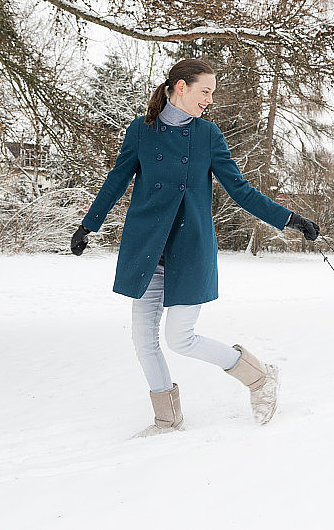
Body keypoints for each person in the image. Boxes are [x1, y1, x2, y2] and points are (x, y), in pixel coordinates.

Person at [70, 58, 319, 436]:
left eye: (212, 93)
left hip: (189, 248)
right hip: (147, 249)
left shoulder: (208, 135)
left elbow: (240, 189)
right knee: (143, 340)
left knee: (180, 339)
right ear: (180, 87)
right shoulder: (142, 130)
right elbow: (116, 180)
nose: (209, 100)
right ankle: (168, 421)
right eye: (205, 91)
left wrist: (289, 219)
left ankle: (260, 378)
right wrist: (88, 225)